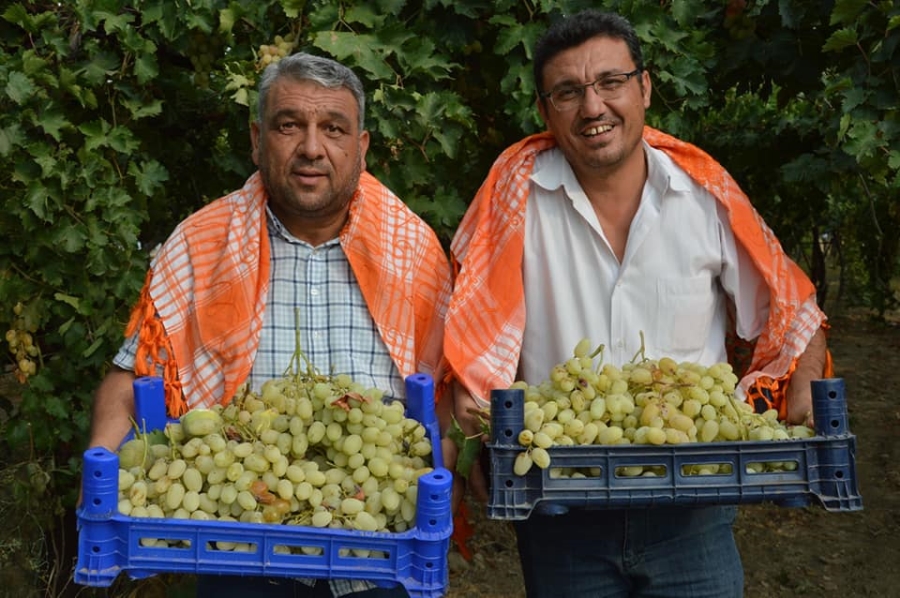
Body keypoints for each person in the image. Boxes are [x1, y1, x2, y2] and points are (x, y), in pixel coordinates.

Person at [443, 10, 829, 598]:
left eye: (611, 82)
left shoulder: (704, 199)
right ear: (545, 112)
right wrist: (468, 412)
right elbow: (468, 335)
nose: (592, 107)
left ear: (644, 87)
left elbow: (791, 309)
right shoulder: (513, 202)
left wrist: (803, 379)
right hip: (560, 510)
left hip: (693, 511)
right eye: (568, 92)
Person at [87, 52, 452, 598]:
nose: (311, 148)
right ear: (257, 141)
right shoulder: (198, 245)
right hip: (238, 550)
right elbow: (133, 375)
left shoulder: (415, 250)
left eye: (333, 129)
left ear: (362, 147)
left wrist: (437, 493)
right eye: (289, 126)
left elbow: (446, 390)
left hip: (381, 554)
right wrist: (101, 476)